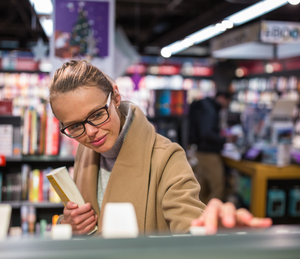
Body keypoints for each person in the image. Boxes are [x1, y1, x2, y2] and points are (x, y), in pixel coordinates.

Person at [49, 60, 272, 235]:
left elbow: (189, 222)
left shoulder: (166, 157)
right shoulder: (86, 151)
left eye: (97, 115)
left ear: (115, 96)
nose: (90, 133)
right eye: (75, 126)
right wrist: (68, 224)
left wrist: (215, 230)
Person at [188, 92, 234, 204]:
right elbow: (207, 133)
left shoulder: (205, 106)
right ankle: (209, 217)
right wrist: (224, 139)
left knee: (202, 189)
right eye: (228, 102)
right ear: (223, 98)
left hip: (200, 152)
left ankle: (199, 217)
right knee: (218, 188)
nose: (227, 105)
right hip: (209, 154)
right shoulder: (210, 109)